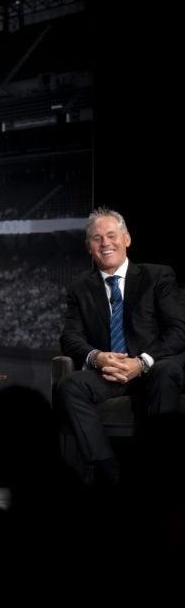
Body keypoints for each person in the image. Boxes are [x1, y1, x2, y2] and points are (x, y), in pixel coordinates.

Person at [58, 206, 185, 485]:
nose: (105, 243)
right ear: (88, 247)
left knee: (166, 373)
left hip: (153, 367)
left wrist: (140, 363)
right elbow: (70, 337)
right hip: (109, 372)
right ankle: (113, 476)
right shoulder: (80, 287)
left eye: (112, 235)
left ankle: (160, 476)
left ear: (127, 239)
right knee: (69, 385)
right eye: (97, 238)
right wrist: (97, 357)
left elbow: (179, 331)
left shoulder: (158, 276)